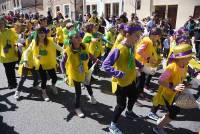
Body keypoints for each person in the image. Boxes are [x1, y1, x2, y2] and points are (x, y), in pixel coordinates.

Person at [103, 22, 143, 134]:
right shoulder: (119, 48)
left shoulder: (132, 46)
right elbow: (105, 65)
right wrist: (118, 73)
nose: (139, 38)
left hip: (130, 79)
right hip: (120, 83)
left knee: (134, 95)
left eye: (139, 35)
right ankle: (112, 125)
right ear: (127, 35)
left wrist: (141, 66)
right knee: (121, 105)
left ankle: (129, 112)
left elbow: (132, 59)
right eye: (136, 35)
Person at [151, 43, 193, 134]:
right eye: (188, 57)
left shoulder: (184, 66)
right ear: (181, 58)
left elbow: (180, 79)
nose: (190, 59)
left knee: (175, 111)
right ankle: (158, 128)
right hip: (167, 94)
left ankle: (162, 120)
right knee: (173, 114)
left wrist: (185, 84)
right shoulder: (171, 67)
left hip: (176, 94)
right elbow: (160, 81)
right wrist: (173, 86)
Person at [61, 29, 97, 118]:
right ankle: (77, 108)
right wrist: (64, 75)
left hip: (84, 71)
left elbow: (88, 53)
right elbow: (62, 63)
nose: (79, 38)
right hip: (75, 73)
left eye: (79, 36)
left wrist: (95, 59)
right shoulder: (68, 51)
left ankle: (91, 96)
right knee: (78, 92)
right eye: (76, 37)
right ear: (71, 40)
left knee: (88, 84)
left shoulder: (84, 46)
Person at [23, 27, 63, 101]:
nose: (42, 34)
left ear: (45, 33)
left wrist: (64, 51)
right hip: (40, 64)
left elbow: (58, 47)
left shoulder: (49, 41)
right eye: (40, 32)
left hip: (49, 62)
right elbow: (27, 51)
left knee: (54, 77)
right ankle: (44, 93)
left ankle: (53, 86)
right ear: (37, 34)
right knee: (43, 79)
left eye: (43, 32)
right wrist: (25, 60)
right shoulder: (34, 42)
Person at [0, 16, 18, 89]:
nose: (1, 24)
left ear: (4, 23)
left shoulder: (10, 31)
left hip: (12, 54)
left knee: (12, 69)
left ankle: (14, 83)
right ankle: (10, 83)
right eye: (0, 23)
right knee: (7, 70)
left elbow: (16, 39)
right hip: (4, 55)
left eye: (2, 23)